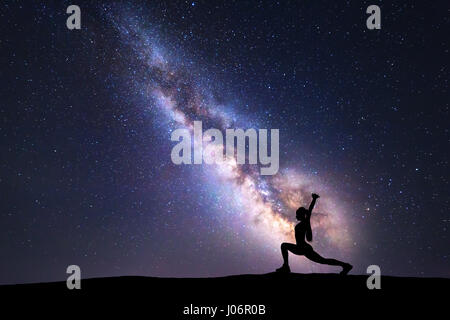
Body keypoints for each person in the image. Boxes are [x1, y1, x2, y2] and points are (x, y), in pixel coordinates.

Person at [276, 193, 353, 275]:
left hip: (303, 248)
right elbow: (308, 212)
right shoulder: (302, 223)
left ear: (301, 215)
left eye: (297, 214)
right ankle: (345, 265)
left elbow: (309, 211)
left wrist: (314, 199)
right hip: (301, 248)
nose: (296, 216)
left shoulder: (305, 222)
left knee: (284, 245)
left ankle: (286, 267)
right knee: (323, 260)